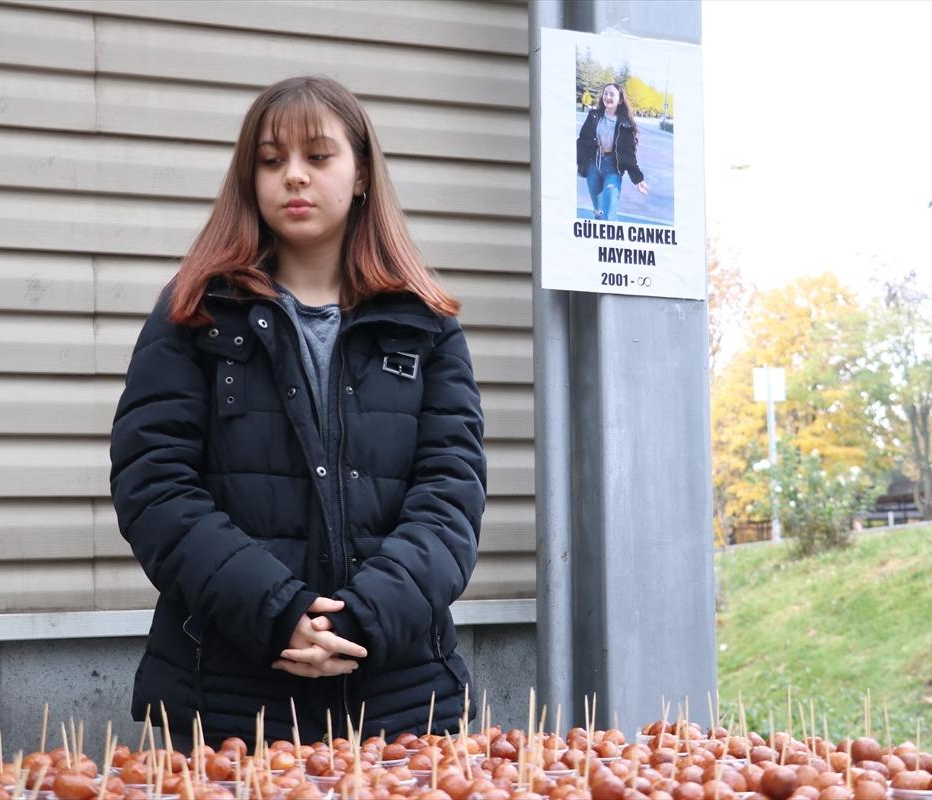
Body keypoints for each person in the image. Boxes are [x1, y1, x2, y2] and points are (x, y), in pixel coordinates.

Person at [109, 76, 487, 747]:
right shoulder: (194, 312)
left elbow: (451, 499)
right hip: (227, 697)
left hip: (398, 699)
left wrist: (363, 619)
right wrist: (274, 609)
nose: (294, 177)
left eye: (318, 156)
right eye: (271, 159)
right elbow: (154, 486)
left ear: (362, 172)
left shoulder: (424, 326)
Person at [576, 83, 649, 221]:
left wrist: (638, 178)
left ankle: (611, 241)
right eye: (605, 93)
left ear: (620, 100)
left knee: (608, 215)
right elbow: (582, 141)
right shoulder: (594, 116)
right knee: (599, 212)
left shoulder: (625, 124)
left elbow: (628, 153)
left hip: (612, 168)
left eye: (612, 94)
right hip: (593, 166)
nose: (607, 96)